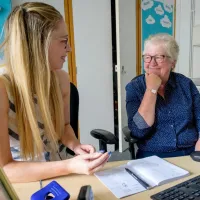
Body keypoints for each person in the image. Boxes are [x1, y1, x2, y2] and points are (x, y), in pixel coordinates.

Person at [0, 2, 109, 183]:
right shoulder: (3, 88)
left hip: (60, 176)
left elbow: (64, 127)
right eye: (63, 41)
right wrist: (69, 166)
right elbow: (5, 170)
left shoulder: (61, 80)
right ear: (39, 44)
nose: (69, 49)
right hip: (23, 183)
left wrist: (76, 145)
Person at [126, 33, 200, 159]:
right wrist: (151, 89)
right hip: (153, 155)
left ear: (173, 63)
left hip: (191, 152)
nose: (152, 63)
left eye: (159, 57)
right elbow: (138, 131)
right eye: (147, 57)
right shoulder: (134, 87)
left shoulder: (186, 84)